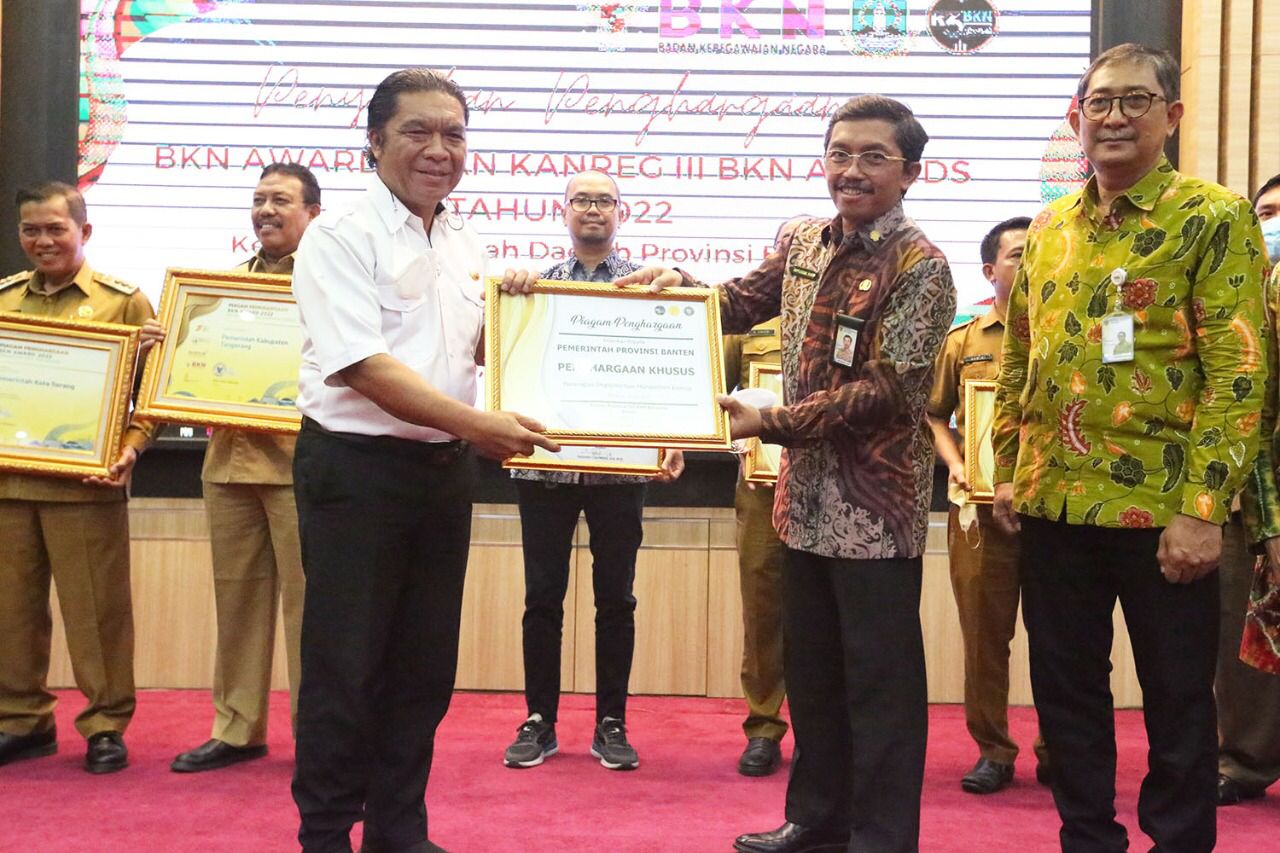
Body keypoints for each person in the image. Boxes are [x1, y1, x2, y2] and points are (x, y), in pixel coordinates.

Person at [618, 95, 956, 853]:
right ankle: (816, 820)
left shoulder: (922, 266)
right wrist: (681, 288)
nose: (851, 170)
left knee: (879, 691)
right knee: (814, 679)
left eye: (873, 156)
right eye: (840, 152)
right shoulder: (806, 240)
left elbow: (884, 393)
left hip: (873, 517)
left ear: (910, 172)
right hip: (799, 505)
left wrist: (767, 421)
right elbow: (741, 301)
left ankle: (881, 837)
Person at [992, 44, 1268, 852]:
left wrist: (1204, 509)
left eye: (1134, 101)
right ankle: (1087, 838)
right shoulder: (1046, 228)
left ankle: (1179, 840)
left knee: (1178, 697)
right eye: (1099, 102)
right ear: (1077, 118)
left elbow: (1239, 369)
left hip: (1164, 512)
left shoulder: (1213, 217)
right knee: (1065, 693)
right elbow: (1019, 358)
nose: (1113, 116)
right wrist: (1009, 470)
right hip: (1055, 505)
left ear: (1171, 116)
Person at [288, 68, 556, 853]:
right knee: (347, 667)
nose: (440, 150)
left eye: (454, 134)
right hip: (356, 473)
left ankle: (399, 830)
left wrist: (526, 314)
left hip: (441, 475)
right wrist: (479, 423)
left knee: (422, 667)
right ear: (374, 142)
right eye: (418, 132)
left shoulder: (463, 240)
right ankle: (328, 834)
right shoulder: (339, 237)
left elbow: (469, 357)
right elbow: (366, 367)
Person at [502, 170, 684, 773]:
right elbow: (497, 354)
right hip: (546, 467)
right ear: (565, 210)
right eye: (581, 200)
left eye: (603, 200)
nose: (592, 210)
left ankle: (612, 722)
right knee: (541, 598)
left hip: (620, 469)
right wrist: (506, 297)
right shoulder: (535, 284)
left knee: (617, 600)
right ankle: (539, 720)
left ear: (619, 211)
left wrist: (668, 438)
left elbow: (663, 368)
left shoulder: (644, 286)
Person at [166, 163, 321, 773]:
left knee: (310, 608)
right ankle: (236, 729)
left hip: (300, 468)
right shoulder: (217, 290)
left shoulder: (327, 288)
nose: (266, 210)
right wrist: (169, 350)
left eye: (280, 200)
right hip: (227, 466)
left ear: (312, 213)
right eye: (258, 200)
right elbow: (190, 374)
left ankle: (317, 734)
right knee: (235, 603)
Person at [0, 182, 156, 774]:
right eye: (30, 230)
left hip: (86, 486)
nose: (42, 241)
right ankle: (21, 721)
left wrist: (135, 446)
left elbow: (152, 395)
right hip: (8, 485)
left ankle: (106, 724)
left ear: (83, 232)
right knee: (9, 611)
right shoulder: (4, 301)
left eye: (55, 229)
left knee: (97, 613)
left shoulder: (125, 303)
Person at [926, 215, 1049, 794]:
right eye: (1020, 255)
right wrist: (955, 463)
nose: (1031, 263)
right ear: (990, 270)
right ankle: (993, 749)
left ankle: (1063, 749)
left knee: (1064, 636)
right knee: (984, 636)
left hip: (1056, 512)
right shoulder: (965, 341)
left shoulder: (1069, 333)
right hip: (978, 512)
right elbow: (932, 413)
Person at [723, 214, 812, 778]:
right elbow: (710, 390)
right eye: (782, 250)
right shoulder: (748, 328)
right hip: (759, 485)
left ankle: (819, 729)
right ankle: (762, 727)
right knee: (763, 609)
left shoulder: (838, 320)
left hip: (825, 484)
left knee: (819, 614)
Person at [1224, 173, 1280, 805]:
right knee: (1241, 645)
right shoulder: (1239, 302)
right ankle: (1243, 760)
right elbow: (1255, 419)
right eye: (1264, 212)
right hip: (1254, 502)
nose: (1271, 225)